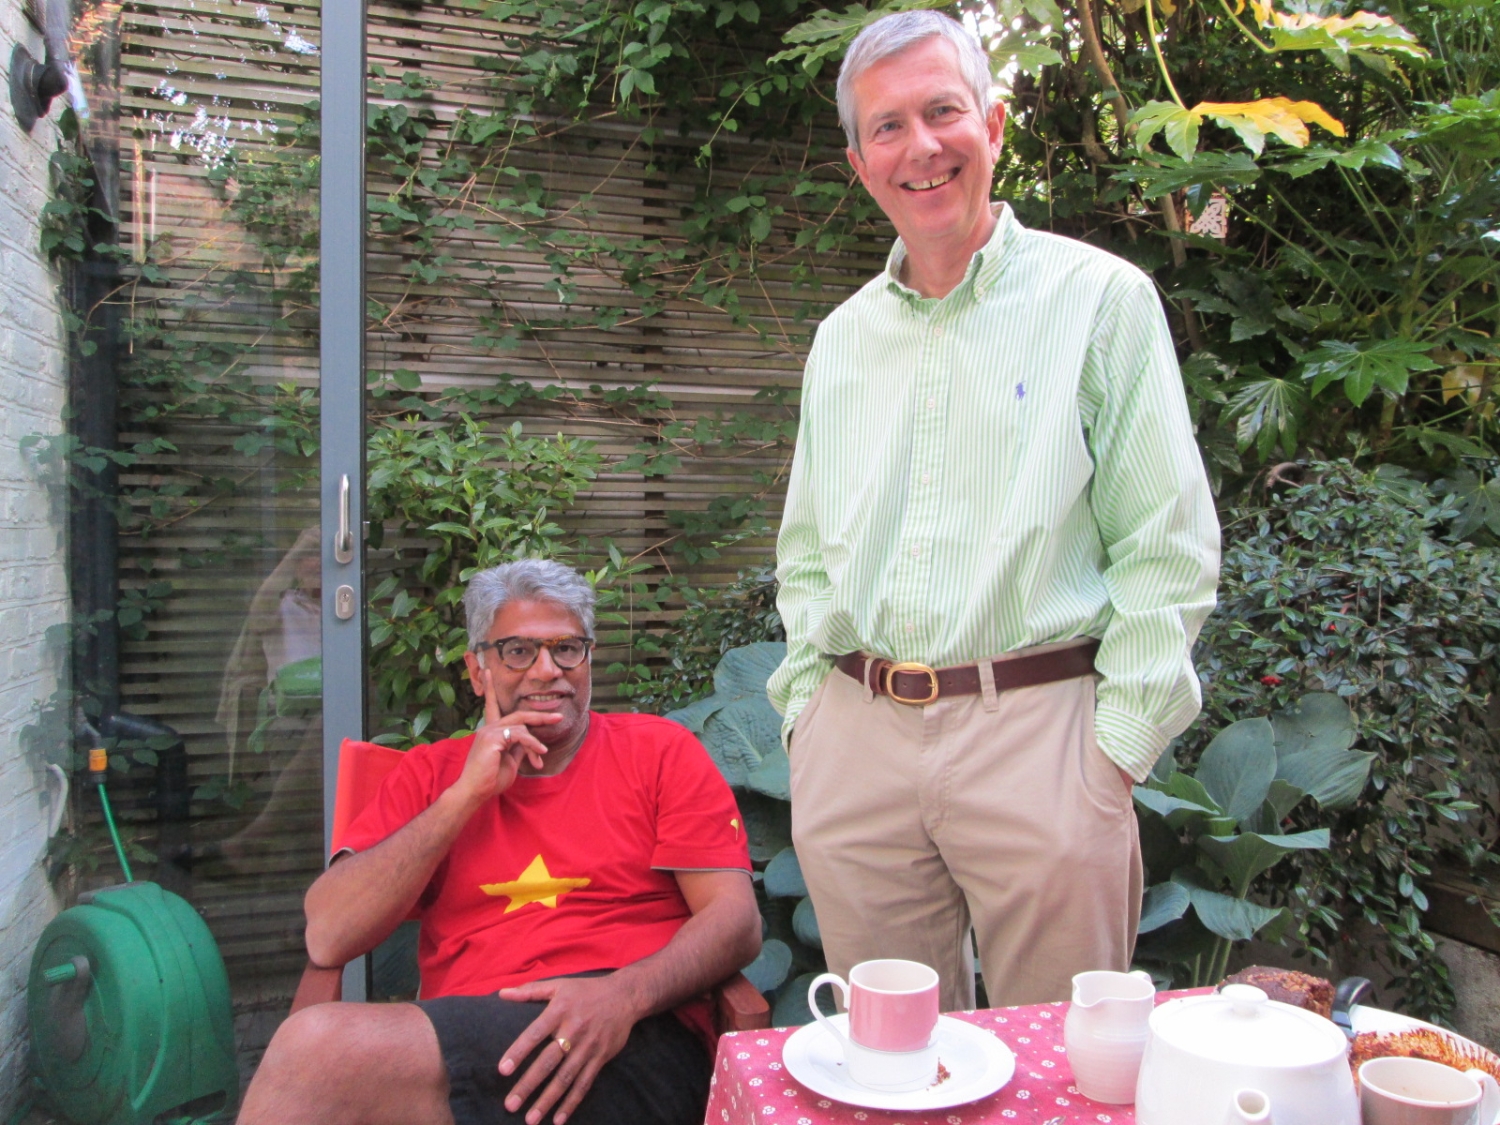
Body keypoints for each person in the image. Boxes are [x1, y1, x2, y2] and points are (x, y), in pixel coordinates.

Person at [768, 11, 1220, 1013]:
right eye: (888, 127)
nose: (921, 148)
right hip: (857, 744)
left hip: (1041, 739)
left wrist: (1116, 750)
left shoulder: (1100, 300)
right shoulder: (841, 341)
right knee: (890, 1064)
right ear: (860, 165)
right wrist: (809, 719)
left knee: (1056, 1062)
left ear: (996, 125)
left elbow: (1167, 541)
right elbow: (805, 549)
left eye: (943, 112)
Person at [238, 559, 761, 1125]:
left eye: (567, 649)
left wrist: (624, 996)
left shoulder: (659, 752)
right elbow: (329, 935)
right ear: (477, 670)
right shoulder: (431, 776)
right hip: (467, 1039)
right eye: (518, 651)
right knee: (316, 1057)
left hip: (630, 1035)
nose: (547, 670)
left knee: (315, 1053)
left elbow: (736, 922)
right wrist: (465, 797)